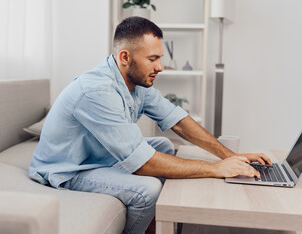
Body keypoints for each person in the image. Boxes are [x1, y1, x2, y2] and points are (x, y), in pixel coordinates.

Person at [29, 17, 271, 234]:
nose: (160, 67)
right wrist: (215, 168)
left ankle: (159, 219)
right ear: (125, 57)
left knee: (164, 144)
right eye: (153, 59)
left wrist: (231, 157)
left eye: (160, 58)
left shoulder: (136, 83)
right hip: (68, 169)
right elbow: (143, 163)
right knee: (148, 189)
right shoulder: (97, 91)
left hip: (99, 155)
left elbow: (181, 124)